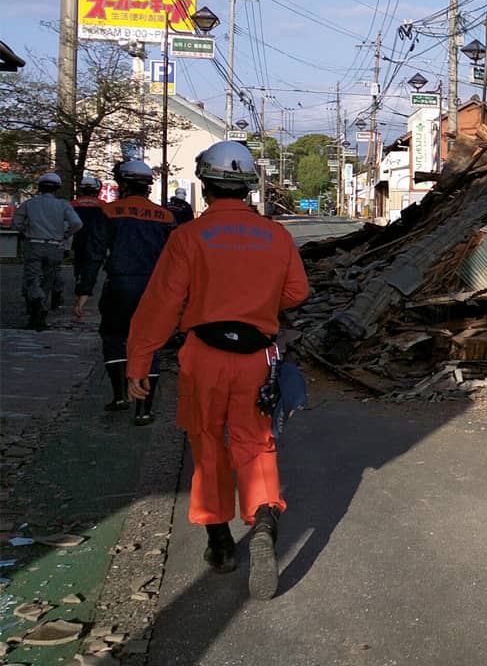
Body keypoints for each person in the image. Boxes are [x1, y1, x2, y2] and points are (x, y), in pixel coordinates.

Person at [127, 141, 309, 601]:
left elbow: (161, 305)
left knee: (207, 441)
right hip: (257, 357)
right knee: (255, 440)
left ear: (205, 185)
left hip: (203, 355)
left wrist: (139, 362)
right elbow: (296, 292)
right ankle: (264, 517)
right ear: (249, 188)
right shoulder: (278, 237)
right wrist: (261, 301)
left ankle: (221, 544)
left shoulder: (187, 238)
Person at [91, 160, 174, 423]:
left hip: (119, 284)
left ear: (123, 184)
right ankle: (144, 410)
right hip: (154, 288)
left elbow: (95, 250)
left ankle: (119, 396)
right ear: (148, 186)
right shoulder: (166, 216)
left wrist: (83, 290)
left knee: (113, 336)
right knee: (150, 342)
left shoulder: (109, 212)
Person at [11, 172, 82, 330]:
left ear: (40, 187)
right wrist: (65, 235)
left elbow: (16, 222)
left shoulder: (30, 204)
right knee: (49, 278)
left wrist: (25, 230)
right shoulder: (63, 205)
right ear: (57, 188)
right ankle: (42, 307)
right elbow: (77, 223)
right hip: (55, 245)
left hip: (33, 244)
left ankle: (35, 300)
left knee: (32, 276)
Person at [71, 175, 110, 318]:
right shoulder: (103, 206)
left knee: (79, 269)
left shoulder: (73, 204)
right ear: (96, 190)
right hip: (96, 244)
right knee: (90, 272)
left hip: (78, 242)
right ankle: (81, 301)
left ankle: (79, 295)